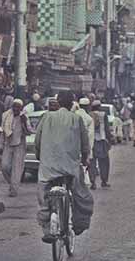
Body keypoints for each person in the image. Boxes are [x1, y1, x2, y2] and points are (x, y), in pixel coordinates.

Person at [34, 90, 93, 243]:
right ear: (72, 103)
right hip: (70, 168)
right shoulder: (77, 119)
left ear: (58, 102)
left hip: (48, 167)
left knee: (44, 196)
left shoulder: (46, 117)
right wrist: (86, 159)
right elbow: (85, 144)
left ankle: (47, 229)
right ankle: (79, 225)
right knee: (81, 196)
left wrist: (40, 157)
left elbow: (37, 141)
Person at [0, 99, 32, 197]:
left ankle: (14, 189)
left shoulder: (24, 117)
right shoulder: (6, 116)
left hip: (19, 145)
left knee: (17, 169)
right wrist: (0, 145)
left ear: (21, 108)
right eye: (14, 106)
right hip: (8, 144)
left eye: (18, 107)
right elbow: (3, 132)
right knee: (4, 166)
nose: (16, 109)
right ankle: (12, 183)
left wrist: (24, 122)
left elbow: (28, 132)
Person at [90, 100, 112, 189]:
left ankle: (93, 182)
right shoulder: (103, 115)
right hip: (102, 140)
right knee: (104, 162)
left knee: (92, 163)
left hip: (91, 141)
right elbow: (107, 128)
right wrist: (109, 140)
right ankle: (104, 181)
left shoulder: (89, 114)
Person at [75, 98, 96, 188]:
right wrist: (89, 153)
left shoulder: (72, 115)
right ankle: (91, 182)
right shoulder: (89, 119)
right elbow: (90, 137)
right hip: (83, 148)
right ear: (88, 107)